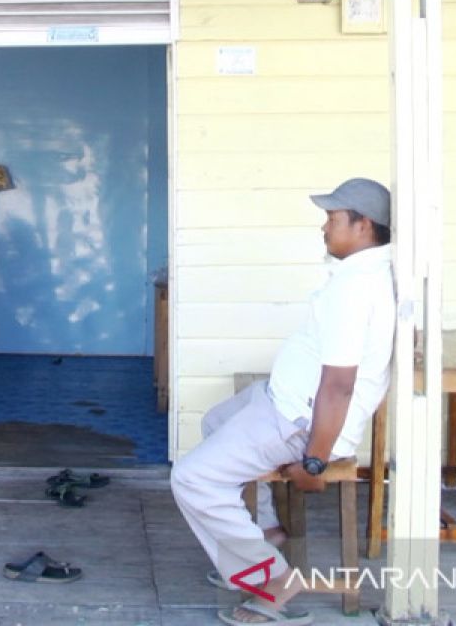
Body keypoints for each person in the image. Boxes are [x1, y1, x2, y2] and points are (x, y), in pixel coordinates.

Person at [170, 178, 395, 626]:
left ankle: (272, 580)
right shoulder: (361, 274)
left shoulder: (356, 289)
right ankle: (267, 533)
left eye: (332, 219)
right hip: (281, 400)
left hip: (296, 421)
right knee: (217, 421)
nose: (324, 229)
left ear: (363, 224)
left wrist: (315, 462)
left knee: (192, 479)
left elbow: (339, 386)